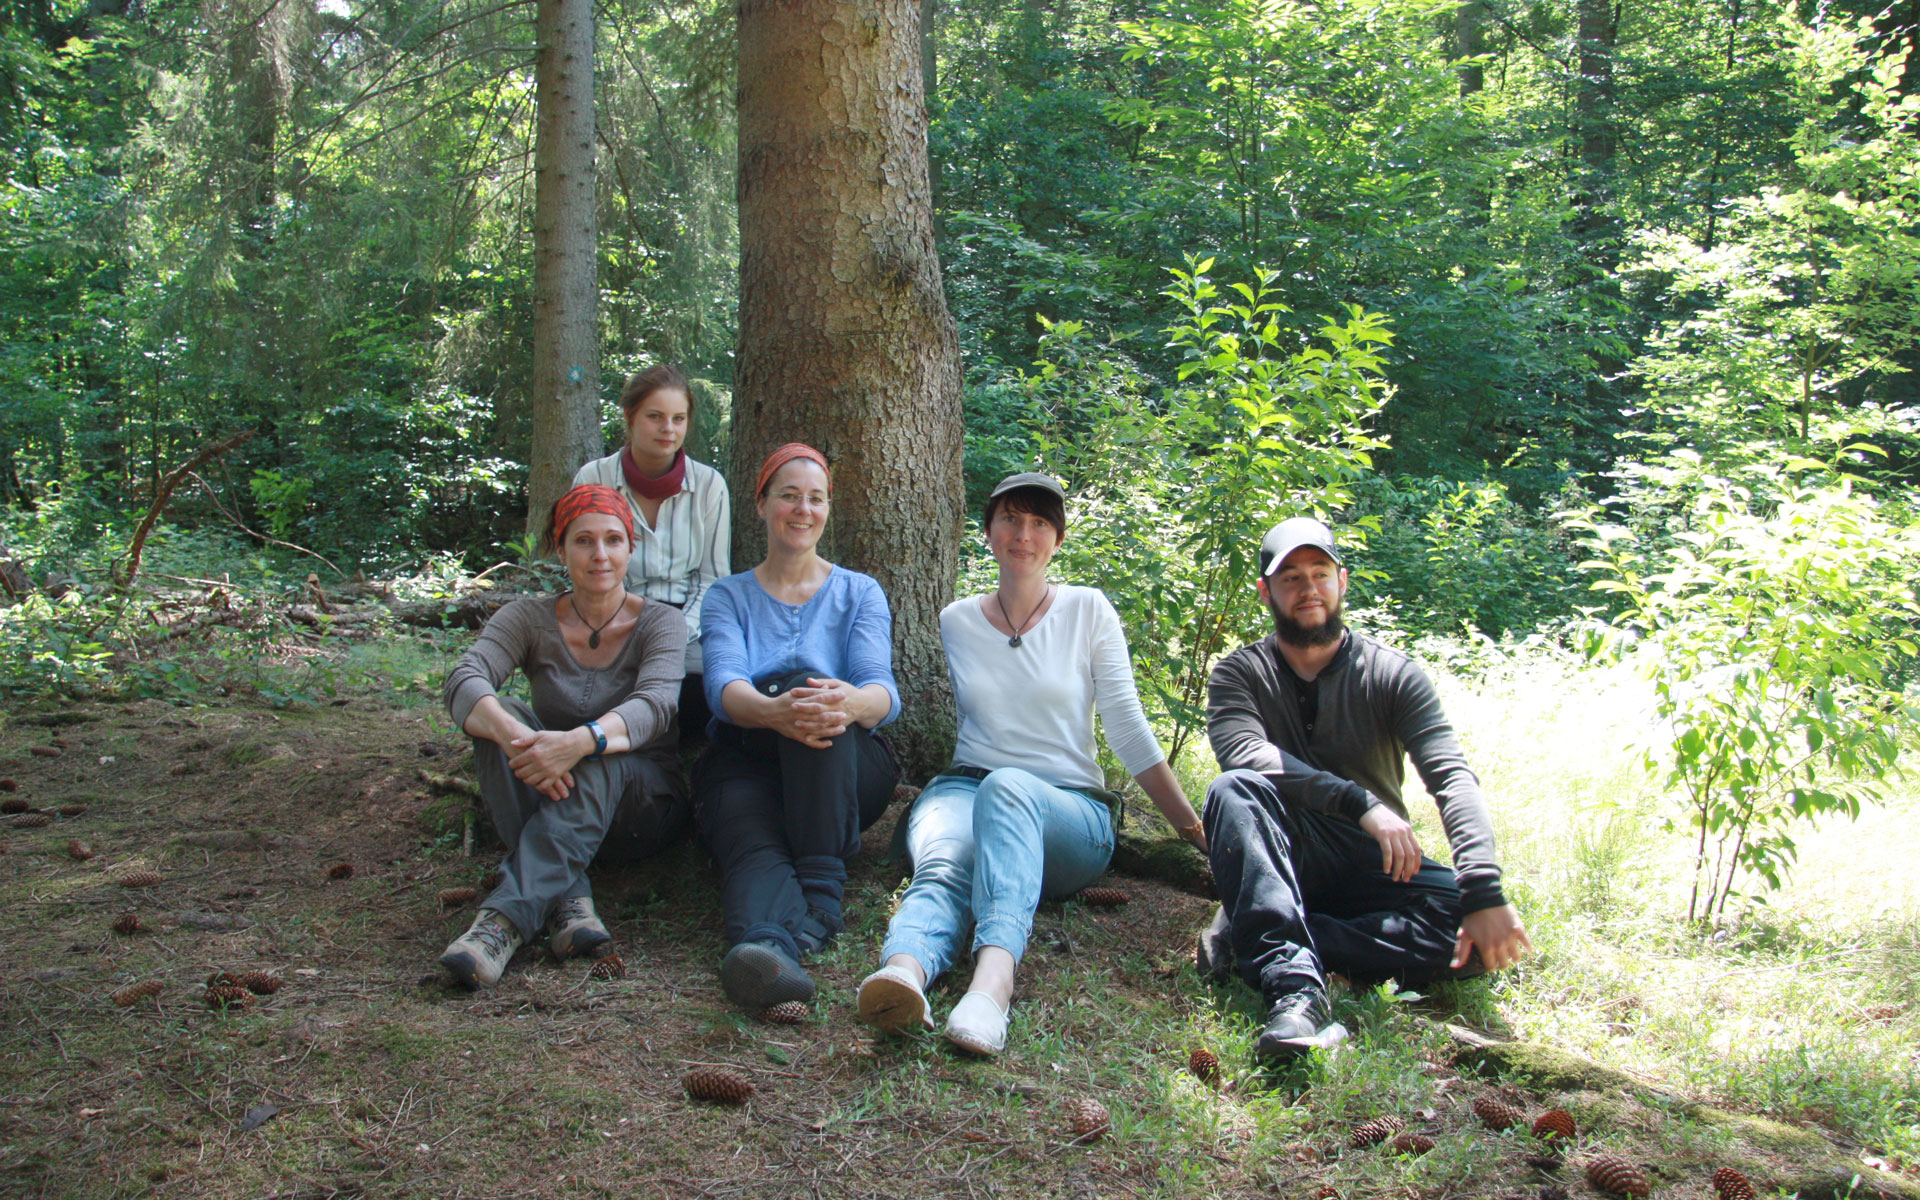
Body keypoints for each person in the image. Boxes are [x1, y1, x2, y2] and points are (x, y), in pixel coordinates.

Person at [857, 472, 1207, 1056]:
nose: (1024, 534)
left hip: (1069, 812)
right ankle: (904, 972)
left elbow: (1126, 728)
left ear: (1058, 539)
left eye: (1040, 523)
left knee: (1011, 788)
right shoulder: (956, 621)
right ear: (989, 531)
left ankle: (993, 985)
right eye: (1011, 519)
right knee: (947, 858)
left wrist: (1191, 829)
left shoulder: (1087, 610)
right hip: (965, 789)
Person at [1200, 516, 1532, 1059]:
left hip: (1375, 861)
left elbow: (1450, 774)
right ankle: (1295, 992)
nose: (1309, 589)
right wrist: (1359, 802)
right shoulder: (1240, 674)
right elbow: (1247, 754)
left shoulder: (1393, 674)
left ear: (1342, 581)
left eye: (1320, 573)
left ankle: (1262, 938)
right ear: (1266, 591)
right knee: (1234, 789)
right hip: (1285, 850)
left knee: (1468, 935)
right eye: (1290, 578)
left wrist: (1483, 888)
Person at [437, 484, 689, 988]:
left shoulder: (662, 622)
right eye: (583, 541)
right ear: (559, 548)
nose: (601, 555)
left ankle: (501, 923)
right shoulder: (527, 618)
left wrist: (580, 741)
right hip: (559, 797)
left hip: (641, 808)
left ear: (630, 549)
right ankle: (568, 900)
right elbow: (465, 678)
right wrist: (512, 735)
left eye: (614, 540)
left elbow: (655, 706)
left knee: (606, 750)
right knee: (498, 714)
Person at [694, 443, 901, 1010]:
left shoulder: (859, 591)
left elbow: (883, 691)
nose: (802, 509)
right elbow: (723, 687)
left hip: (844, 766)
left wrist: (848, 703)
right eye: (788, 496)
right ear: (761, 504)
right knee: (747, 835)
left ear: (827, 509)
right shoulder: (728, 596)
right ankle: (767, 948)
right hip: (747, 756)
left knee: (812, 691)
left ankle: (821, 896)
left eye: (815, 498)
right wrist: (772, 713)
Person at [572, 365, 730, 736]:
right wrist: (625, 627)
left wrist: (670, 633)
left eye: (678, 418)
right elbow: (585, 570)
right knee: (588, 697)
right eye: (655, 417)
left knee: (702, 703)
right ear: (630, 417)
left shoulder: (708, 485)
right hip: (610, 617)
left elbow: (713, 578)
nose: (668, 429)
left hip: (686, 625)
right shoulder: (593, 479)